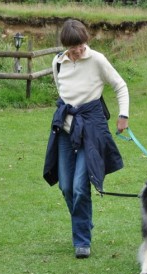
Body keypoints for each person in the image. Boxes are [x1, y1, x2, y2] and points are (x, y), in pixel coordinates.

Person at [43, 19, 129, 259]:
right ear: (65, 46)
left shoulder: (97, 60)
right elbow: (62, 91)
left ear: (86, 41)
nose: (78, 51)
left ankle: (82, 240)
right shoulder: (57, 62)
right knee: (66, 186)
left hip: (91, 127)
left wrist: (123, 116)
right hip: (65, 127)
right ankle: (83, 222)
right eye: (73, 48)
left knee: (82, 186)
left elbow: (120, 86)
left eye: (81, 45)